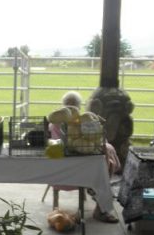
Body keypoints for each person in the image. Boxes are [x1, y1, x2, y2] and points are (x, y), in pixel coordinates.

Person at [49, 90, 120, 223]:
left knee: (105, 159)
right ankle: (99, 203)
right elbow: (96, 142)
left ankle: (98, 193)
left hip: (59, 172)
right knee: (106, 163)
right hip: (78, 172)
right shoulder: (76, 123)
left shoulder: (55, 123)